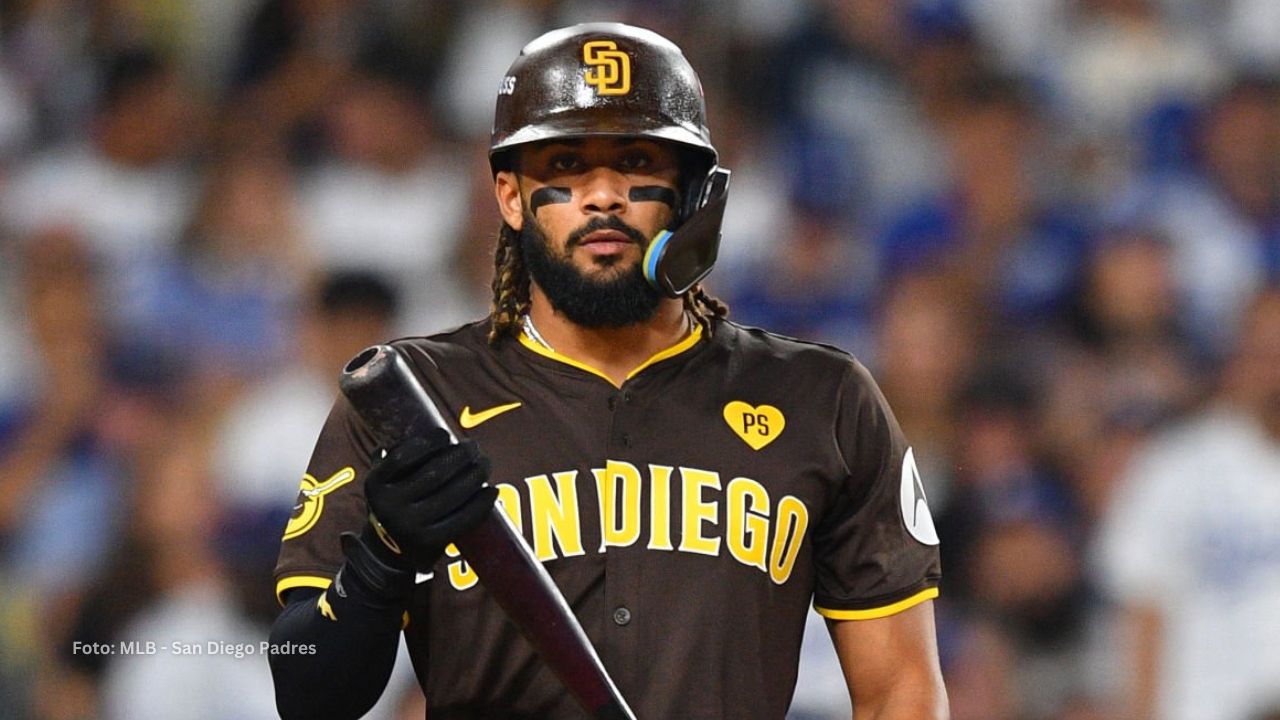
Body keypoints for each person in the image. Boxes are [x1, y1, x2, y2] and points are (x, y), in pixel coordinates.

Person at [268, 22, 947, 720]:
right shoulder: (413, 403)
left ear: (693, 195)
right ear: (509, 195)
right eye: (565, 167)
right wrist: (382, 557)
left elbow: (901, 690)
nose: (603, 196)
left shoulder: (821, 400)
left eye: (637, 163)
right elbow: (306, 692)